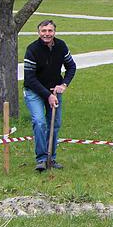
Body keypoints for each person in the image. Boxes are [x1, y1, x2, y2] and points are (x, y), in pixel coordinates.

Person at [23, 19, 77, 172]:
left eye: (50, 31)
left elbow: (71, 66)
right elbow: (30, 78)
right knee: (39, 122)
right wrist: (47, 95)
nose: (47, 34)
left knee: (55, 124)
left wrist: (64, 84)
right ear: (38, 32)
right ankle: (41, 159)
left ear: (54, 32)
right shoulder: (32, 49)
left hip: (54, 90)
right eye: (43, 31)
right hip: (34, 91)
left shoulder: (61, 46)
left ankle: (51, 158)